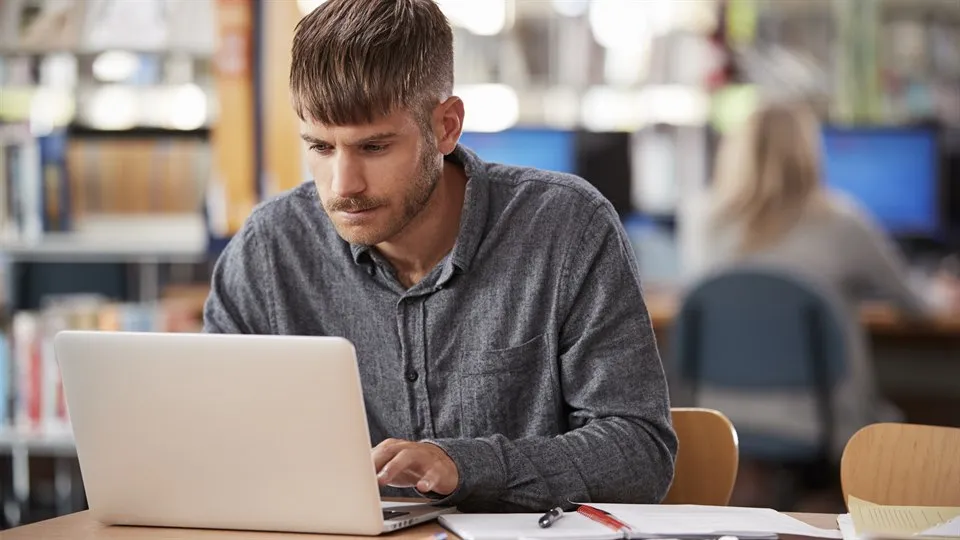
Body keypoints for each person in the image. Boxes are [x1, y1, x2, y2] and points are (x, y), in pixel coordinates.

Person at [202, 0, 676, 513]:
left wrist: (466, 465)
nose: (343, 186)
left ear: (447, 126)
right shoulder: (271, 249)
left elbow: (640, 453)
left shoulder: (567, 228)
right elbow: (209, 438)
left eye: (374, 148)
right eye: (320, 148)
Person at [685, 102, 934, 465]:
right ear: (809, 152)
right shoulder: (843, 222)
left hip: (720, 418)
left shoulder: (703, 222)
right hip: (820, 421)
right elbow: (917, 305)